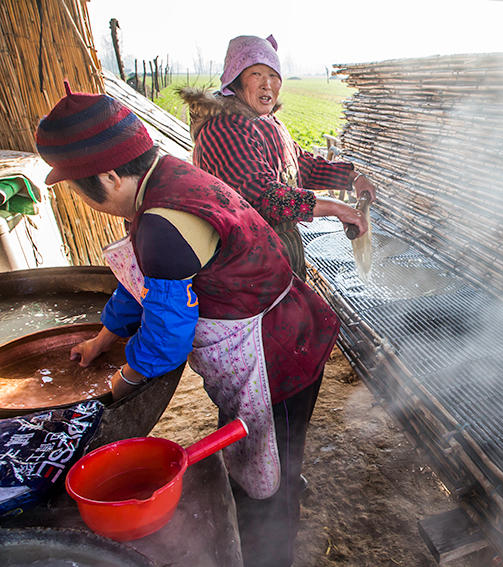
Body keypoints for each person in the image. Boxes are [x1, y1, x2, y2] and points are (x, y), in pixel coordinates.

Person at [34, 83, 360, 567]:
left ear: (109, 176)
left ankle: (272, 550)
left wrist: (119, 384)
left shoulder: (162, 223)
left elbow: (167, 338)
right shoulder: (165, 176)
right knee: (256, 448)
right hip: (264, 341)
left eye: (80, 190)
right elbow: (142, 279)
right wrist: (104, 338)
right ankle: (266, 500)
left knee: (272, 475)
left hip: (278, 354)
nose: (85, 202)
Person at [179, 34, 376, 280]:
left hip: (275, 257)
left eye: (273, 75)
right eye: (256, 74)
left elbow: (302, 166)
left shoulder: (265, 122)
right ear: (235, 80)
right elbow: (264, 196)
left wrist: (352, 178)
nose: (267, 84)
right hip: (245, 269)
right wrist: (335, 208)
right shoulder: (224, 129)